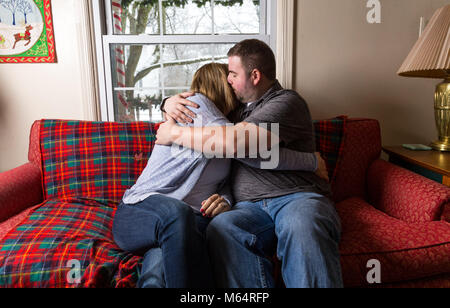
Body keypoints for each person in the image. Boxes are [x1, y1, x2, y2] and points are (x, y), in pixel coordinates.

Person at [113, 62, 327, 288]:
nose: (236, 85)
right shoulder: (196, 107)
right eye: (231, 79)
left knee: (165, 255)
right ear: (222, 85)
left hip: (183, 225)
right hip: (141, 211)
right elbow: (247, 151)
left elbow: (228, 175)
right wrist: (310, 161)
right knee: (177, 215)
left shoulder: (229, 126)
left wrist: (225, 199)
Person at [156, 39, 343, 288]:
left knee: (302, 224)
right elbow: (234, 148)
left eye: (233, 73)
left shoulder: (286, 103)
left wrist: (175, 134)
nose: (228, 80)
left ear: (255, 75)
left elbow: (240, 146)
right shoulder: (232, 112)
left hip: (296, 198)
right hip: (248, 208)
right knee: (222, 227)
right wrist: (167, 102)